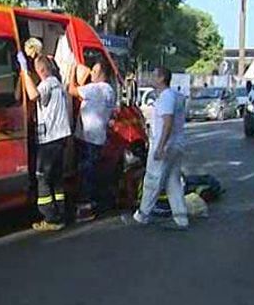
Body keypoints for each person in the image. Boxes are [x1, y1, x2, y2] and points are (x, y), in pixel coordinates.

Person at [121, 67, 189, 230]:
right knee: (173, 182)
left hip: (165, 145)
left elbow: (167, 122)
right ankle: (181, 218)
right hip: (176, 145)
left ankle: (142, 215)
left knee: (152, 180)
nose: (151, 78)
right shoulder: (176, 96)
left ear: (161, 79)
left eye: (154, 75)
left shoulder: (166, 97)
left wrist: (160, 146)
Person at [17, 53, 71, 231]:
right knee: (56, 179)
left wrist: (24, 71)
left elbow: (32, 95)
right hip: (61, 138)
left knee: (43, 177)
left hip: (50, 140)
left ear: (40, 70)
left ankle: (50, 218)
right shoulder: (58, 83)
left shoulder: (47, 84)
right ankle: (61, 215)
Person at [68, 60, 116, 222]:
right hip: (97, 137)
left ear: (102, 74)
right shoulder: (109, 90)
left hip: (88, 137)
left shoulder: (95, 89)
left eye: (94, 72)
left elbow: (71, 90)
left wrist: (72, 70)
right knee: (92, 172)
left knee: (86, 173)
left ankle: (86, 209)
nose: (91, 74)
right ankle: (94, 203)